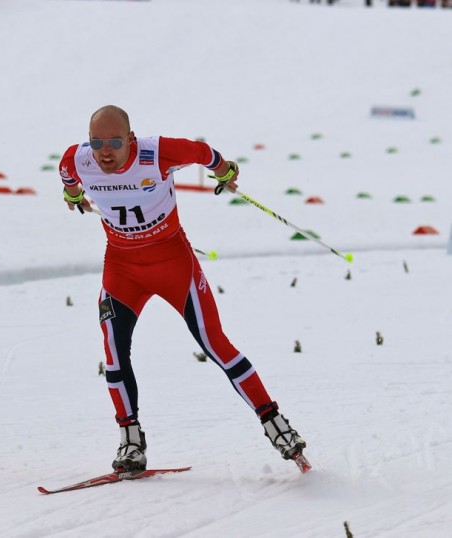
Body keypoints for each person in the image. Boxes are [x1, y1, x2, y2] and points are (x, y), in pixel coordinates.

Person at [58, 105, 306, 472]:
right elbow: (68, 179)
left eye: (113, 142)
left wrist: (224, 170)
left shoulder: (156, 152)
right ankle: (130, 440)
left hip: (174, 265)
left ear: (130, 139)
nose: (105, 151)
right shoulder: (77, 160)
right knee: (113, 351)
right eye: (97, 142)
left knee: (214, 342)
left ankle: (275, 423)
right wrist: (75, 197)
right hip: (122, 270)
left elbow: (204, 154)